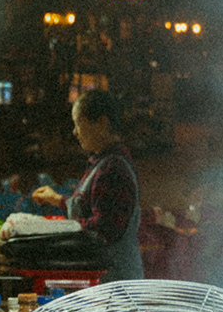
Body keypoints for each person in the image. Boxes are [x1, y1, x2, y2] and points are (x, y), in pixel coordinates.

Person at [29, 90, 144, 280]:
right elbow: (91, 207)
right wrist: (57, 200)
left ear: (101, 124)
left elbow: (104, 229)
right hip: (104, 276)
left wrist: (62, 228)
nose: (75, 132)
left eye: (78, 124)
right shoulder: (102, 163)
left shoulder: (113, 169)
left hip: (114, 282)